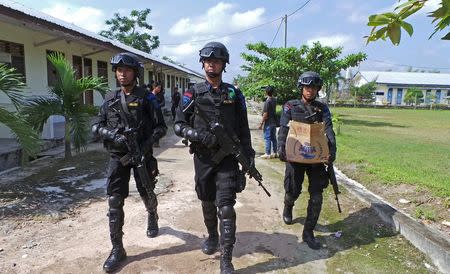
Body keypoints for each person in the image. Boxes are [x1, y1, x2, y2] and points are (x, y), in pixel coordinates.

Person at [174, 41, 255, 274]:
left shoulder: (234, 94)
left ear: (223, 65)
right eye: (208, 61)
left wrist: (248, 159)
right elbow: (178, 125)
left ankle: (226, 259)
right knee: (207, 201)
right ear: (203, 64)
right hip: (204, 158)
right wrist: (198, 135)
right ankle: (211, 235)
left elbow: (243, 129)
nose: (212, 65)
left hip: (228, 158)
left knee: (226, 207)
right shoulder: (193, 93)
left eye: (217, 61)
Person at [91, 52, 167, 272]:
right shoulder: (109, 99)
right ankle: (117, 249)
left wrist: (145, 145)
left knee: (147, 193)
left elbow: (161, 127)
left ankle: (152, 214)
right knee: (114, 201)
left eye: (127, 70)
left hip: (142, 156)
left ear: (135, 73)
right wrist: (112, 135)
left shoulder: (147, 97)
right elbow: (96, 126)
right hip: (118, 157)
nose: (122, 74)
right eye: (119, 70)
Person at [277, 71, 337, 250]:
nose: (310, 90)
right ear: (301, 88)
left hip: (316, 159)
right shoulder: (290, 106)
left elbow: (329, 129)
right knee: (293, 190)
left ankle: (308, 232)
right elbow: (283, 129)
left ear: (318, 89)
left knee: (317, 196)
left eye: (313, 87)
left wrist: (332, 149)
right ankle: (288, 206)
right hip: (295, 157)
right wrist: (281, 147)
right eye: (306, 87)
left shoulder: (322, 108)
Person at [258, 85, 278, 159]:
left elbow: (265, 114)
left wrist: (261, 123)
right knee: (274, 138)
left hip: (268, 122)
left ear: (266, 92)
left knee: (267, 138)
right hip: (274, 122)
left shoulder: (267, 101)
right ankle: (275, 152)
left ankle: (267, 153)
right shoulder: (274, 100)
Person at [151, 81, 165, 147]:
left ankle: (156, 142)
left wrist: (157, 105)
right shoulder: (149, 95)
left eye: (160, 88)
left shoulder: (160, 95)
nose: (159, 89)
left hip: (158, 114)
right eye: (158, 87)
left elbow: (163, 103)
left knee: (158, 128)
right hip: (151, 114)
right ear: (154, 87)